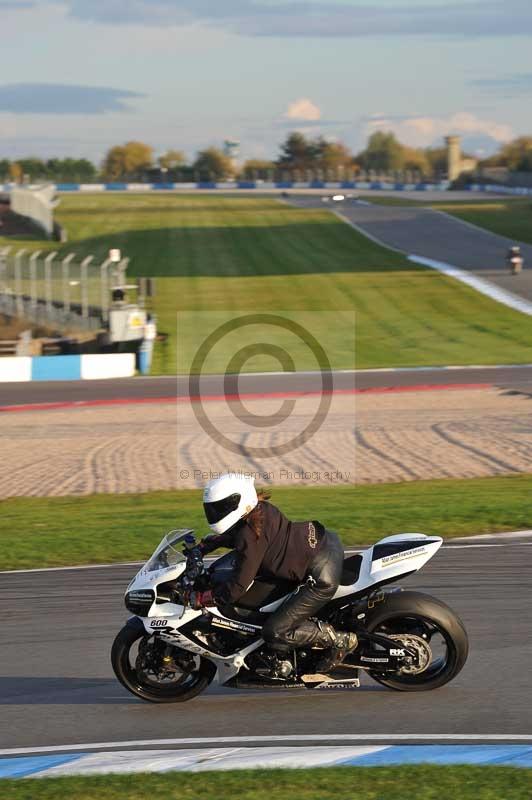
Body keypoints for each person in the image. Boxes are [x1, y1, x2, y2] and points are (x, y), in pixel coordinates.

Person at [191, 473, 358, 671]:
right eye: (213, 508)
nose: (215, 512)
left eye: (220, 507)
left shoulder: (250, 534)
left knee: (275, 631)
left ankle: (337, 639)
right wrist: (203, 546)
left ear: (238, 502)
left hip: (320, 575)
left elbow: (237, 587)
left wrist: (204, 598)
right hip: (324, 540)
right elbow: (234, 536)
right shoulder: (259, 511)